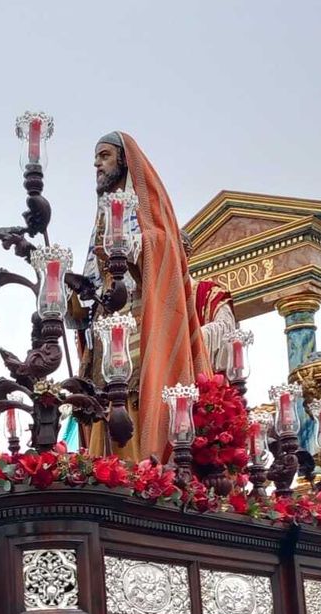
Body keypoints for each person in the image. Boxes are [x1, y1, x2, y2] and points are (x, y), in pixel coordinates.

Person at [70, 132, 206, 464]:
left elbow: (164, 247)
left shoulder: (146, 212)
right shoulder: (101, 215)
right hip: (105, 328)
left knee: (134, 396)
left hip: (138, 324)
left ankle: (142, 468)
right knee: (99, 401)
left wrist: (138, 248)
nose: (96, 165)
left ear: (124, 160)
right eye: (95, 159)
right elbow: (93, 275)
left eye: (104, 156)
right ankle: (106, 471)